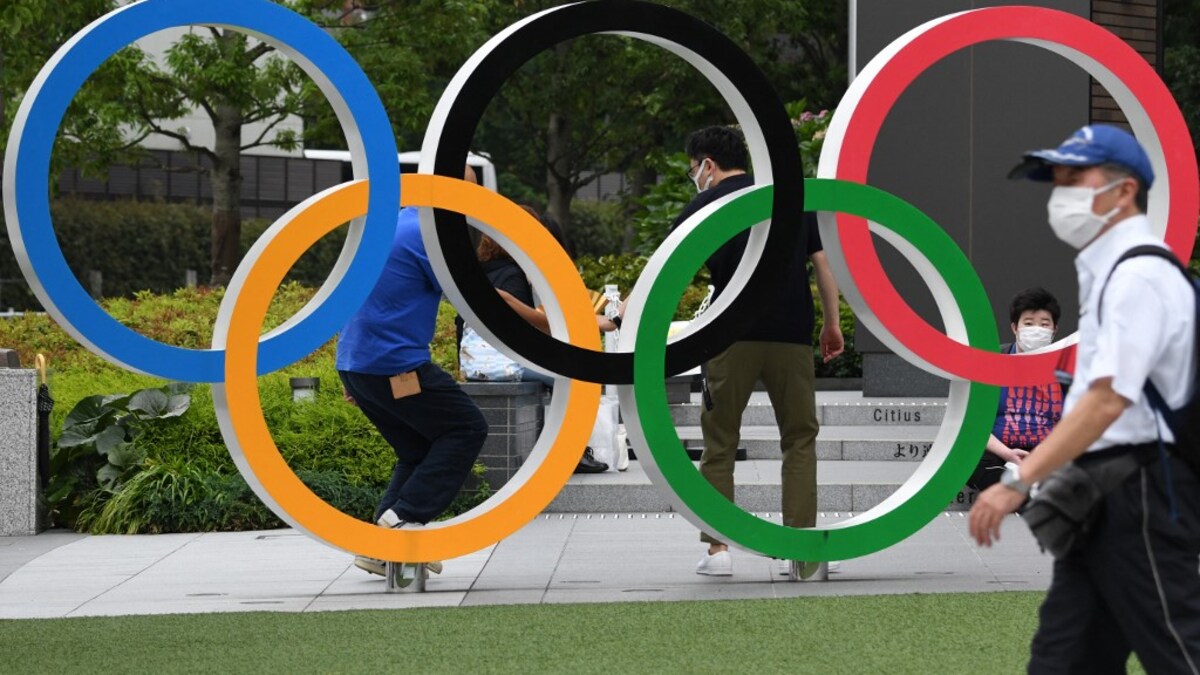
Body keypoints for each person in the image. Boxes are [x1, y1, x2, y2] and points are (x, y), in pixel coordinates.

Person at [969, 124, 1200, 672]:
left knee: (1179, 652)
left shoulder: (1138, 276)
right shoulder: (1111, 271)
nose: (1061, 193)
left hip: (1143, 493)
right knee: (1063, 659)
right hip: (1102, 495)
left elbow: (1105, 402)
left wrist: (1017, 483)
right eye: (1057, 180)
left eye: (1076, 178)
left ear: (1124, 192)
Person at [674, 126, 844, 576]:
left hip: (730, 339)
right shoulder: (787, 198)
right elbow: (821, 263)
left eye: (693, 169)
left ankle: (718, 551)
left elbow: (667, 274)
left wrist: (619, 320)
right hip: (790, 335)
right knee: (800, 439)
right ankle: (804, 556)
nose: (695, 177)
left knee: (720, 442)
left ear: (707, 165)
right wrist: (831, 323)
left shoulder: (703, 206)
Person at [338, 166, 490, 578]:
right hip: (394, 365)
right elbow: (467, 294)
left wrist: (352, 375)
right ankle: (404, 519)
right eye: (470, 194)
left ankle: (380, 546)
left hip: (359, 364)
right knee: (466, 428)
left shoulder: (389, 225)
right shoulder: (428, 233)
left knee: (417, 450)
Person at [456, 214, 615, 473]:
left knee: (570, 373)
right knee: (574, 378)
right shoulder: (513, 276)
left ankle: (568, 449)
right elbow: (529, 325)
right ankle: (572, 452)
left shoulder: (492, 270)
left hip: (484, 358)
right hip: (500, 361)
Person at [966, 287, 1065, 491]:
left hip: (1048, 450)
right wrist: (1006, 453)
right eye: (1028, 323)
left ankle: (1018, 488)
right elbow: (975, 421)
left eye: (1044, 324)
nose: (1036, 329)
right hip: (1000, 451)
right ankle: (1035, 489)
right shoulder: (992, 362)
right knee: (970, 462)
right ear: (1015, 328)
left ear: (1054, 329)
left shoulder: (1068, 367)